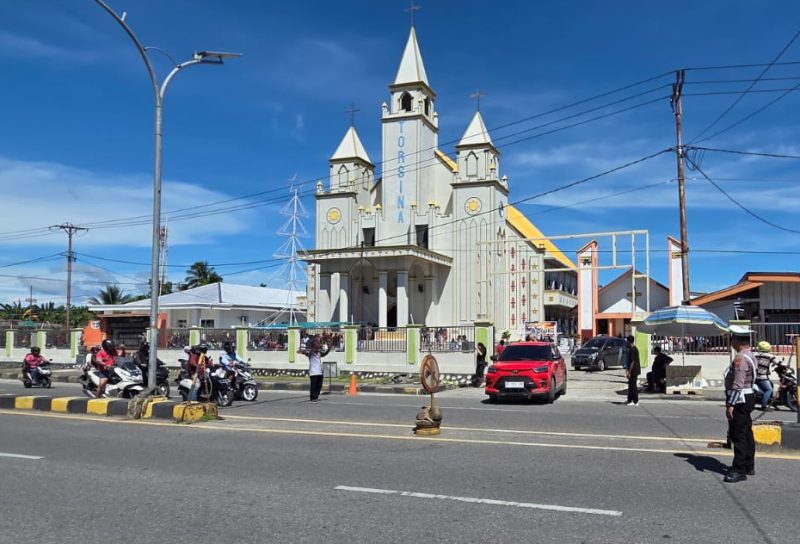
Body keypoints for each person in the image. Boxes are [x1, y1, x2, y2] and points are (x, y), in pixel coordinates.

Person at [724, 330, 757, 483]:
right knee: (747, 432)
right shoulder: (750, 355)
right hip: (748, 396)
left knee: (739, 435)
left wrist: (731, 404)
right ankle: (749, 465)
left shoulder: (740, 358)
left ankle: (739, 470)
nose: (731, 342)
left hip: (740, 399)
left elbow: (738, 384)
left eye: (732, 339)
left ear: (738, 340)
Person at [298, 334, 329, 402]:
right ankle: (313, 398)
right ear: (314, 345)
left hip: (319, 372)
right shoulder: (311, 352)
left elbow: (324, 354)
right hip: (313, 372)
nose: (318, 344)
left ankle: (316, 396)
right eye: (317, 343)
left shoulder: (319, 352)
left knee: (319, 386)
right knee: (313, 385)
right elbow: (305, 352)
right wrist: (301, 351)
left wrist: (329, 349)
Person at [754, 340, 776, 410]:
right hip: (762, 377)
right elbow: (776, 362)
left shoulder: (754, 354)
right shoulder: (769, 356)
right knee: (769, 389)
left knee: (771, 384)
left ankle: (769, 400)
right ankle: (764, 405)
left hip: (754, 376)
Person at [625, 335, 640, 406]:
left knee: (633, 386)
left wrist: (629, 372)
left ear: (629, 341)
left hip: (634, 370)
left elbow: (632, 362)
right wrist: (627, 370)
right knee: (630, 385)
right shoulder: (632, 349)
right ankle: (630, 400)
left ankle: (635, 401)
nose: (626, 343)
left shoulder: (633, 349)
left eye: (627, 341)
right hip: (633, 370)